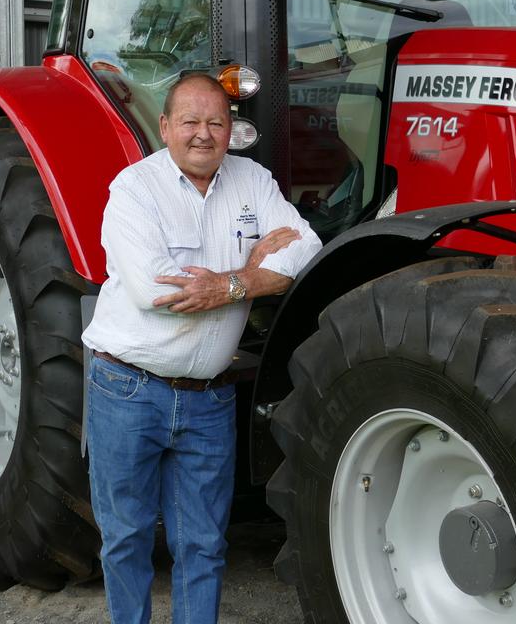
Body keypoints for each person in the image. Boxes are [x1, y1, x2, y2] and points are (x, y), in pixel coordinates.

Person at [82, 73, 322, 624]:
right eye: (190, 121)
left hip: (209, 400)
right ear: (165, 127)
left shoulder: (253, 181)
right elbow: (155, 290)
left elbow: (307, 247)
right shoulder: (133, 189)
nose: (203, 134)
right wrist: (255, 266)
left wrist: (229, 284)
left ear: (232, 130)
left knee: (204, 546)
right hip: (127, 390)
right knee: (126, 541)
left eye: (217, 122)